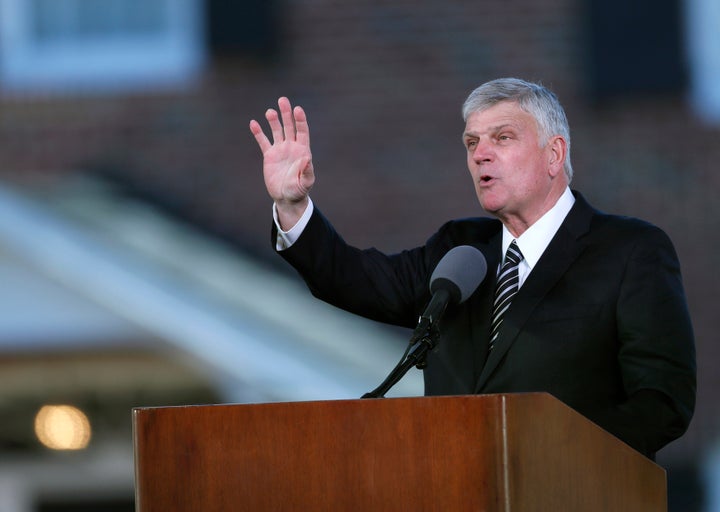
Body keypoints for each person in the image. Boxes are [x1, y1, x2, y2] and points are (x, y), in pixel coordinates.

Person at [249, 78, 696, 459]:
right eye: (471, 142)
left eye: (502, 138)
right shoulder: (459, 252)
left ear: (554, 155)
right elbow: (351, 279)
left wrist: (554, 452)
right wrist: (292, 203)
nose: (481, 154)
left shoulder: (629, 250)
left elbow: (661, 402)